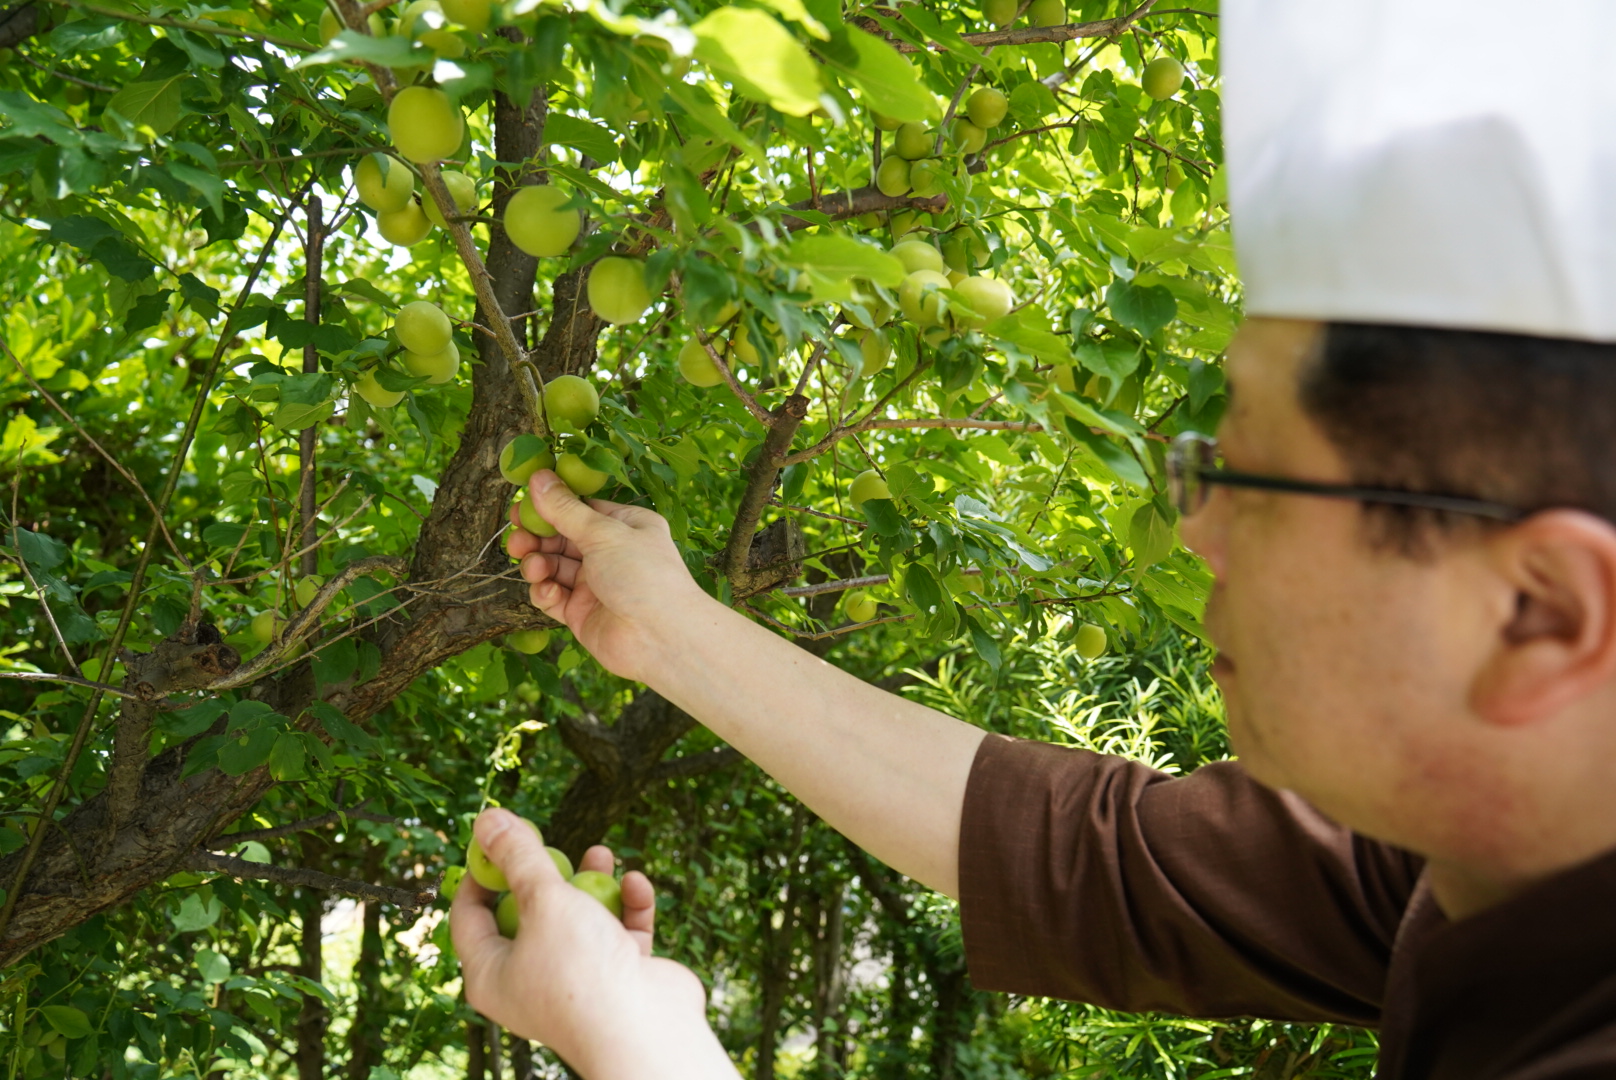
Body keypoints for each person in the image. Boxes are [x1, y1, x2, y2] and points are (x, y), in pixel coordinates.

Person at [451, 2, 1616, 1077]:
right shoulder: (1485, 856)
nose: (1197, 527)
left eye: (1251, 475)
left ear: (1537, 613)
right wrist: (674, 632)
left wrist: (641, 1047)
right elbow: (1101, 863)